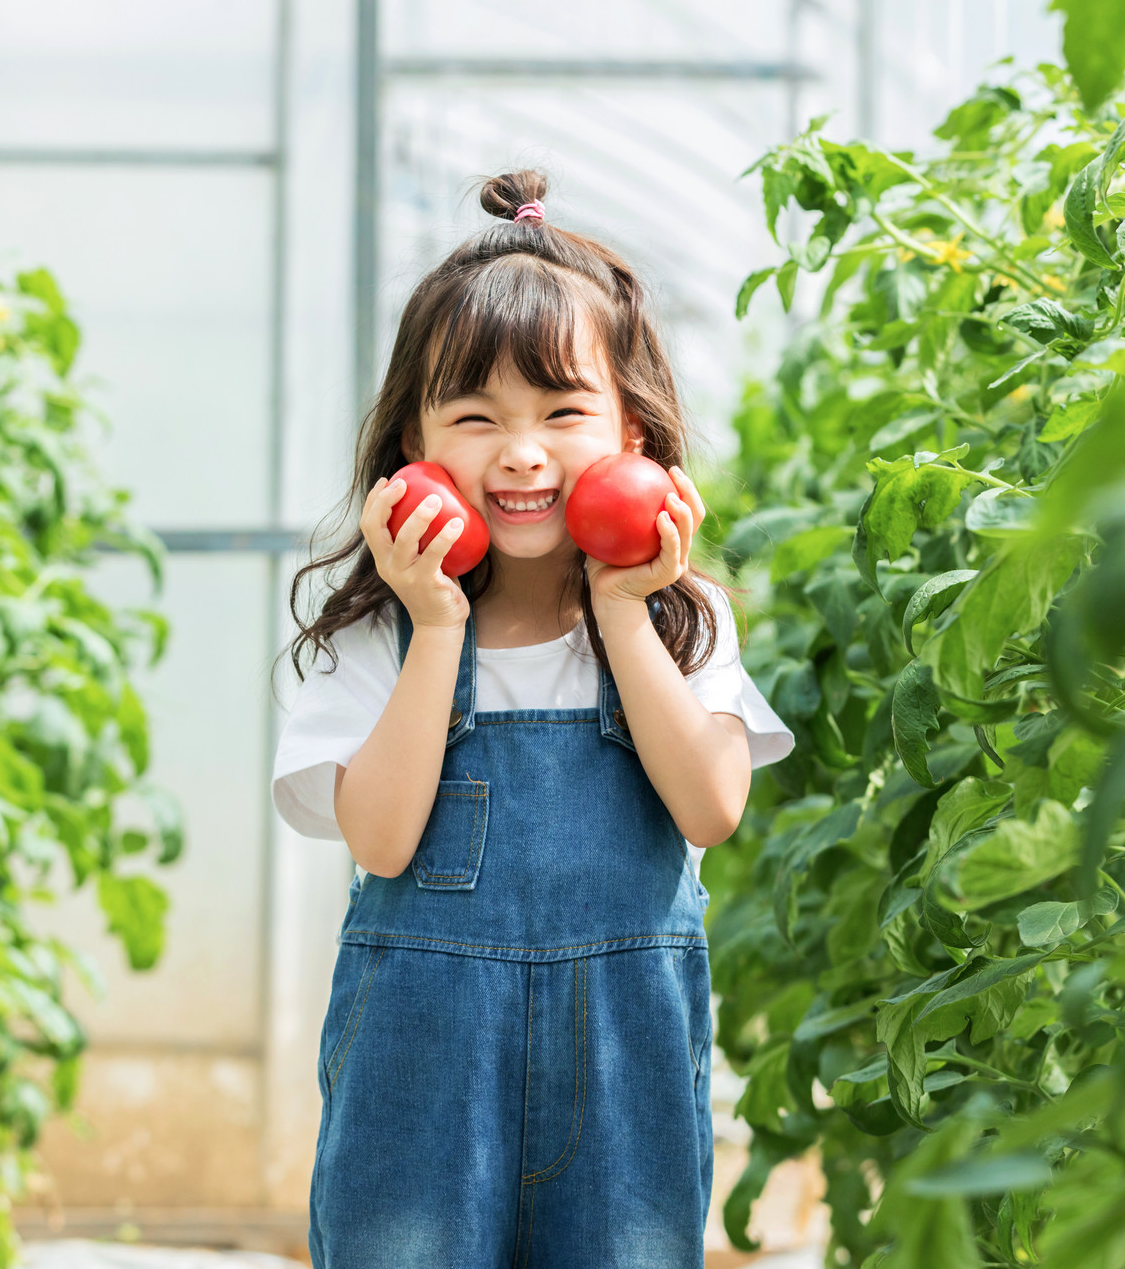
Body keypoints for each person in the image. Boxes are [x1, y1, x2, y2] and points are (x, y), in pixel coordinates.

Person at [270, 170, 794, 1268]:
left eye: (563, 414)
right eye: (476, 418)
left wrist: (620, 606)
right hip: (423, 1069)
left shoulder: (679, 622)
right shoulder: (379, 629)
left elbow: (710, 805)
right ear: (410, 443)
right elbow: (381, 838)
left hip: (623, 1073)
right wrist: (438, 625)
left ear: (635, 433)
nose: (521, 454)